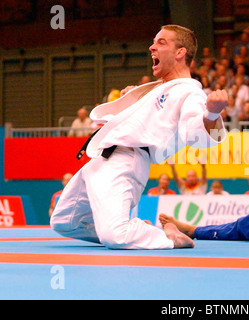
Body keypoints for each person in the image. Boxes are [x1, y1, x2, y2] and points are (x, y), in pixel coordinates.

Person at [50, 25, 228, 250]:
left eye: (162, 42)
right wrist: (132, 102)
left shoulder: (189, 92)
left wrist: (212, 113)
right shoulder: (160, 87)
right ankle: (137, 229)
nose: (152, 46)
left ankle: (168, 237)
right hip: (100, 160)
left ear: (180, 52)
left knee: (116, 236)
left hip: (126, 160)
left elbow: (196, 135)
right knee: (65, 222)